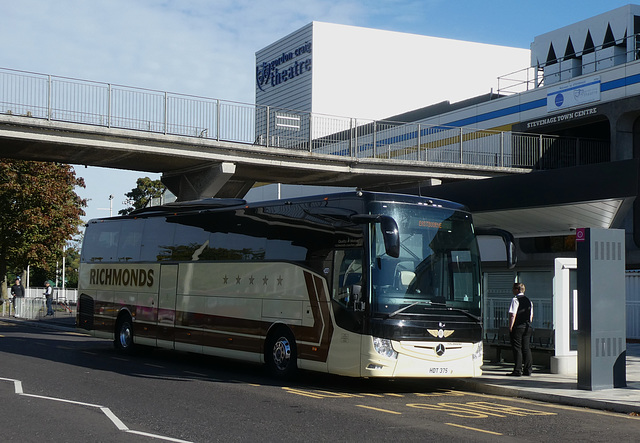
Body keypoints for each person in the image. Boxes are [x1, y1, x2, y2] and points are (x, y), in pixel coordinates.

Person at [508, 282, 533, 376]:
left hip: (518, 326)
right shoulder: (529, 300)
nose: (512, 290)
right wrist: (528, 323)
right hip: (527, 326)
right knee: (526, 348)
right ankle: (528, 369)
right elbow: (531, 315)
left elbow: (512, 314)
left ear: (517, 290)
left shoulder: (515, 300)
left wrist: (511, 326)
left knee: (517, 348)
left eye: (513, 289)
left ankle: (517, 370)